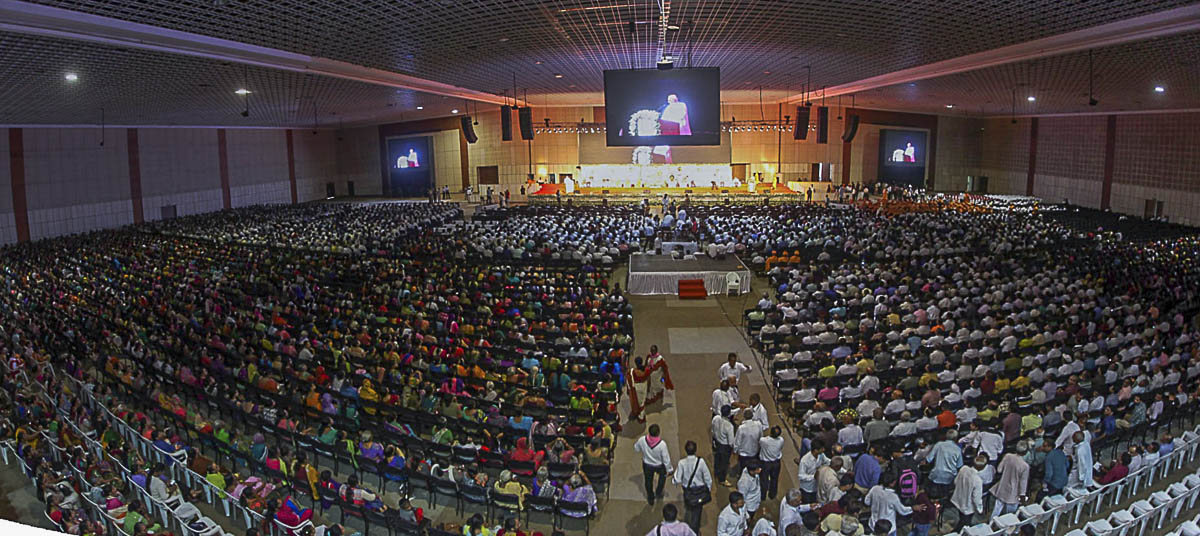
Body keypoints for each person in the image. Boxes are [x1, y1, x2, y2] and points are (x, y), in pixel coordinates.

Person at [674, 440, 713, 534]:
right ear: (695, 450)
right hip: (700, 491)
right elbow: (708, 478)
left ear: (685, 450)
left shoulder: (682, 463)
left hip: (688, 490)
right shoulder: (701, 462)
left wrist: (673, 481)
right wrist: (708, 489)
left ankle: (689, 508)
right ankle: (694, 532)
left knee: (689, 505)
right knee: (697, 511)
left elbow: (677, 479)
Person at [634, 424, 672, 505]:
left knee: (648, 481)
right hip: (659, 466)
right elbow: (666, 459)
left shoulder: (642, 440)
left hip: (647, 465)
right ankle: (658, 492)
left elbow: (636, 448)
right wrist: (669, 469)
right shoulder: (662, 445)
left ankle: (650, 497)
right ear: (658, 433)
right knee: (662, 478)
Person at [992, 445, 1030, 516]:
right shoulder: (1025, 466)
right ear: (1025, 452)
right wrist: (1022, 496)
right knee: (1009, 514)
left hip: (1002, 487)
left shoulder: (1007, 456)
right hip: (1013, 493)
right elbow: (1023, 483)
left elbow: (999, 470)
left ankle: (991, 524)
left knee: (996, 509)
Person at [950, 455, 986, 530]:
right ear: (982, 467)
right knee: (965, 524)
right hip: (967, 506)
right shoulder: (978, 480)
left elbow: (955, 481)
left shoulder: (963, 469)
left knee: (961, 518)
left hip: (958, 499)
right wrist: (980, 509)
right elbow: (976, 498)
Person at [712, 406, 736, 485]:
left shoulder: (716, 419)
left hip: (717, 442)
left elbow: (713, 430)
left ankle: (716, 472)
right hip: (725, 446)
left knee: (717, 459)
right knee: (724, 463)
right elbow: (731, 441)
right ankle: (722, 479)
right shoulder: (729, 426)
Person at [759, 426, 785, 501]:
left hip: (766, 463)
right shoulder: (781, 440)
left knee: (764, 480)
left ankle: (762, 496)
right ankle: (772, 494)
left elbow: (760, 444)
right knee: (774, 479)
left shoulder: (764, 440)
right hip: (776, 463)